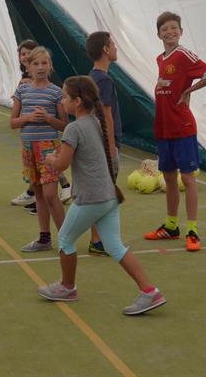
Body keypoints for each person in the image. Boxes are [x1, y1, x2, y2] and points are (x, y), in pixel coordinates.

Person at [38, 76, 166, 315]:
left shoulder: (73, 127)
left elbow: (61, 164)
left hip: (92, 198)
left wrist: (50, 159)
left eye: (65, 96)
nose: (62, 100)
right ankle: (150, 291)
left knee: (65, 238)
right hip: (109, 195)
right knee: (115, 246)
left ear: (77, 102)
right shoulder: (96, 123)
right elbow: (95, 155)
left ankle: (67, 287)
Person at [143, 12, 206, 251]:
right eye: (165, 29)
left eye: (174, 28)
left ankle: (193, 231)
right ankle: (171, 226)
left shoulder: (184, 55)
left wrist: (190, 90)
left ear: (181, 32)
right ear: (158, 34)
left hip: (183, 127)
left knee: (187, 178)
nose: (170, 32)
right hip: (164, 128)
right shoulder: (160, 59)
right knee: (168, 177)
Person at [10, 46, 67, 252]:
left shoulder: (56, 92)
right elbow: (13, 122)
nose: (40, 67)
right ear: (28, 66)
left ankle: (66, 238)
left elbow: (64, 124)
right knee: (40, 195)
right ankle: (45, 238)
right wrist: (28, 118)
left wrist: (48, 118)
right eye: (36, 63)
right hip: (28, 148)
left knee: (51, 194)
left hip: (49, 149)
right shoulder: (22, 90)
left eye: (44, 63)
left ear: (50, 66)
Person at [85, 31, 123, 256]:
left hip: (96, 143)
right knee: (106, 195)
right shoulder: (105, 80)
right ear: (106, 50)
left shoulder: (92, 77)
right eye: (113, 45)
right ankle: (98, 241)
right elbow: (106, 115)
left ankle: (98, 239)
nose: (116, 49)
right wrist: (110, 147)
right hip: (105, 145)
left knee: (101, 193)